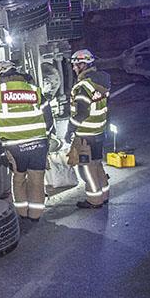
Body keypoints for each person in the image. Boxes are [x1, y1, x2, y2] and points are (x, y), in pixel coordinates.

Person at [0, 61, 54, 223]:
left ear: (0, 75)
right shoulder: (34, 90)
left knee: (19, 179)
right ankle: (35, 216)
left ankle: (22, 214)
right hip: (38, 144)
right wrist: (45, 139)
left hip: (14, 146)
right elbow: (48, 119)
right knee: (37, 180)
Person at [66, 49, 110, 209]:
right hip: (99, 131)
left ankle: (94, 200)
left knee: (88, 169)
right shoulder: (100, 82)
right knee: (97, 164)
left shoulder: (83, 86)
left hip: (86, 135)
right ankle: (104, 195)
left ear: (83, 65)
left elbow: (82, 113)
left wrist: (70, 129)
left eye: (76, 65)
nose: (74, 68)